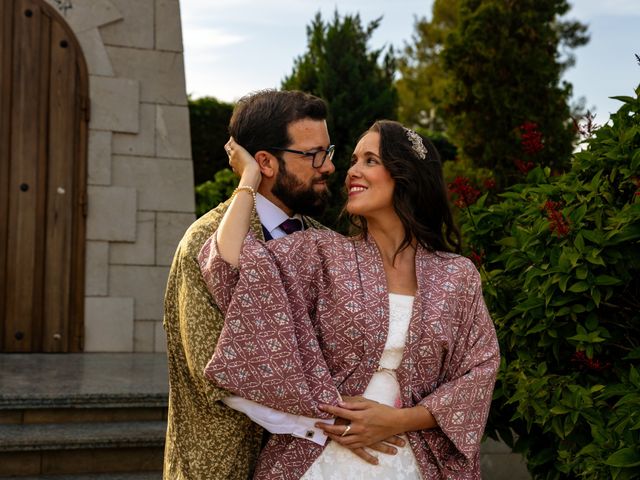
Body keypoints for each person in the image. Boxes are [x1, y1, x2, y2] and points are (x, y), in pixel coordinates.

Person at [198, 119, 500, 479]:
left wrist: (397, 420)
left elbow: (479, 370)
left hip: (413, 461)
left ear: (406, 175)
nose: (352, 171)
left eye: (370, 160)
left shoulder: (457, 275)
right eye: (354, 160)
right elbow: (229, 265)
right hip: (318, 461)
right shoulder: (321, 253)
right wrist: (248, 180)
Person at [163, 90, 398, 480]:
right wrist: (335, 426)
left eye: (329, 151)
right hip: (223, 467)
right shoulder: (203, 243)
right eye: (313, 155)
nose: (328, 167)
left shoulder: (324, 240)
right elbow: (218, 376)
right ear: (265, 163)